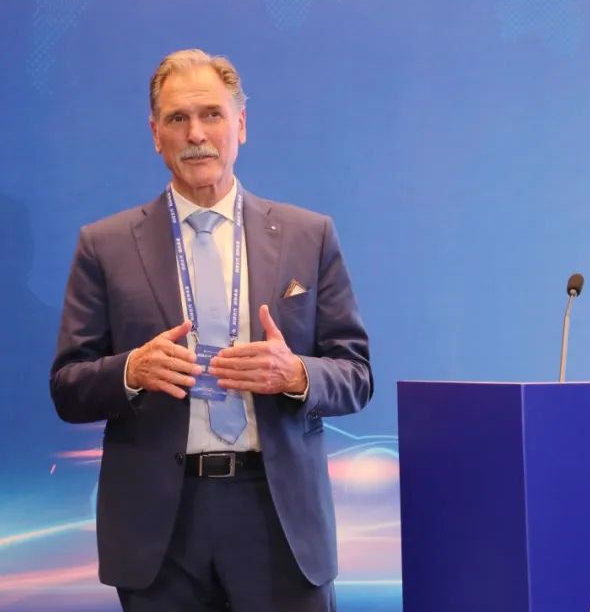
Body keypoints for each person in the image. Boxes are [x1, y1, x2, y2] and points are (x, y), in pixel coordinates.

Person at [51, 48, 372, 611]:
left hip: (278, 517)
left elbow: (356, 375)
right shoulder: (104, 245)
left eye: (211, 115)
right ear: (155, 134)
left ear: (241, 124)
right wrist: (131, 371)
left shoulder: (309, 235)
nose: (196, 133)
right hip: (160, 528)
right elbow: (68, 388)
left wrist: (295, 374)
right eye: (177, 118)